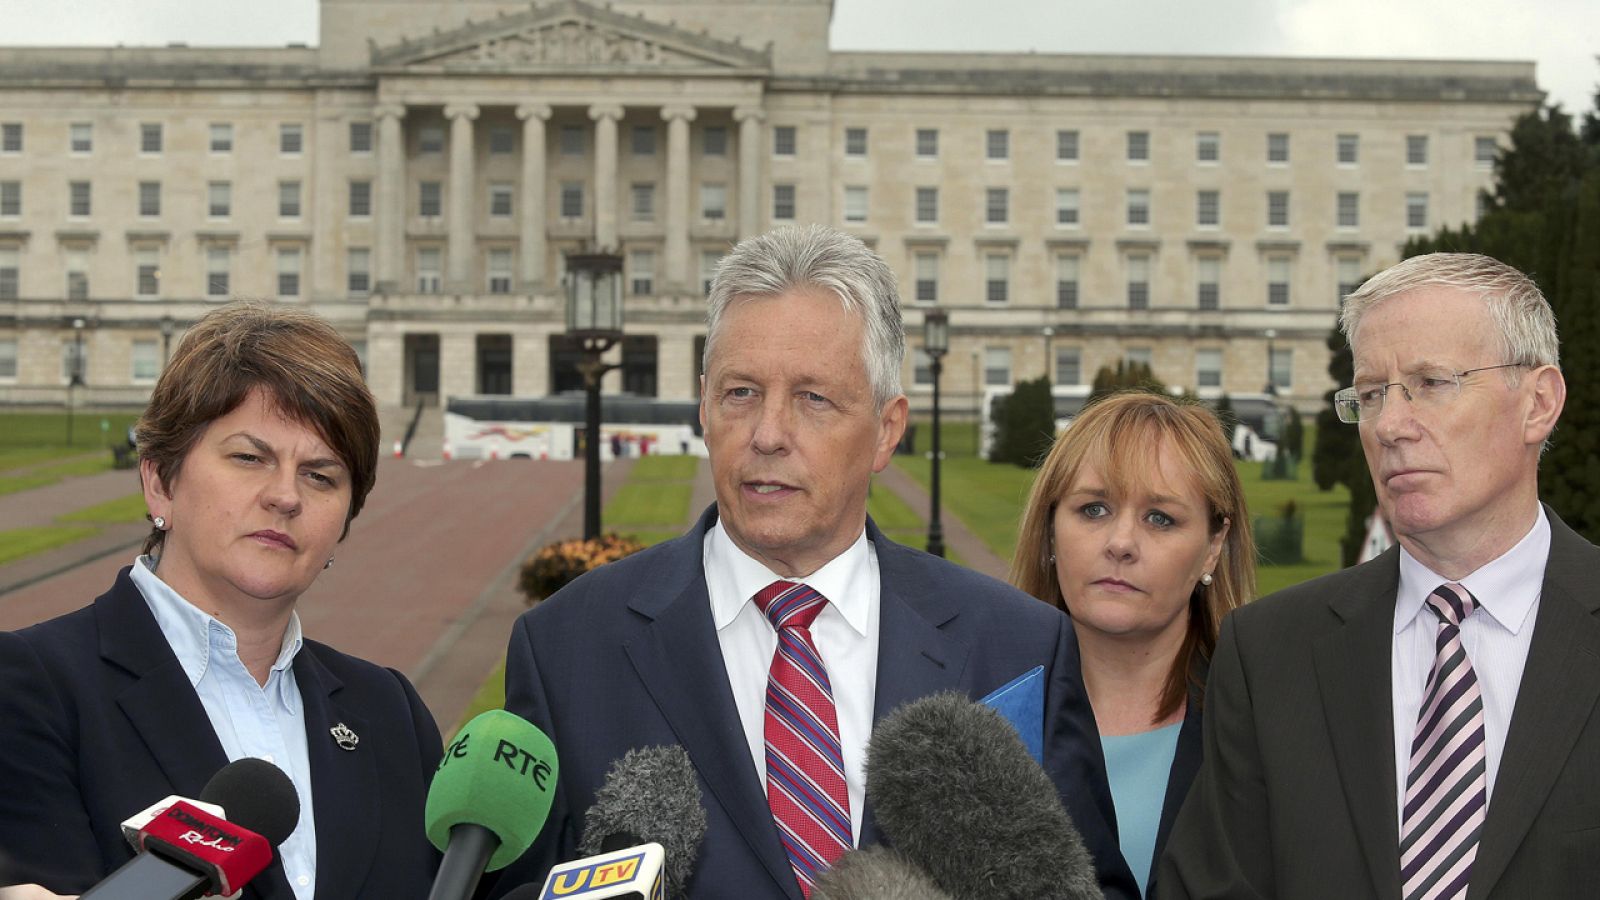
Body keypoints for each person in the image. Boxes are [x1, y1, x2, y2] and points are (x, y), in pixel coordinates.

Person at [489, 224, 1137, 899]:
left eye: (812, 398)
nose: (768, 434)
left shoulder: (1017, 647)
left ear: (887, 430)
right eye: (741, 393)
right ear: (703, 406)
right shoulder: (567, 646)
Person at [1160, 252, 1591, 899]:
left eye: (1432, 383)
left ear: (1539, 403)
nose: (1389, 425)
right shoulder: (1270, 653)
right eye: (1369, 395)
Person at [0, 302, 443, 900]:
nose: (285, 496)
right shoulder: (31, 688)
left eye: (321, 475)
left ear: (345, 520)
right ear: (160, 479)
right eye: (249, 457)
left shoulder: (390, 712)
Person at [1011, 391, 1254, 898]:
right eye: (1093, 509)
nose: (1120, 542)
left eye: (1159, 518)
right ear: (1052, 531)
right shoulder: (987, 713)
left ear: (1213, 547)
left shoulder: (1265, 726)